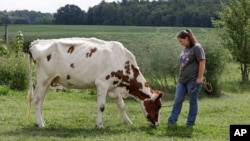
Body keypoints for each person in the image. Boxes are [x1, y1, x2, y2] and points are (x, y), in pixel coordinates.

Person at [167, 29, 206, 128]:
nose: (180, 43)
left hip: (193, 80)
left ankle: (190, 123)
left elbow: (202, 62)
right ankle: (172, 122)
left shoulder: (197, 48)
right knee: (177, 100)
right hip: (182, 80)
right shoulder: (186, 48)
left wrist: (199, 78)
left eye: (181, 41)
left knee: (192, 101)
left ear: (187, 38)